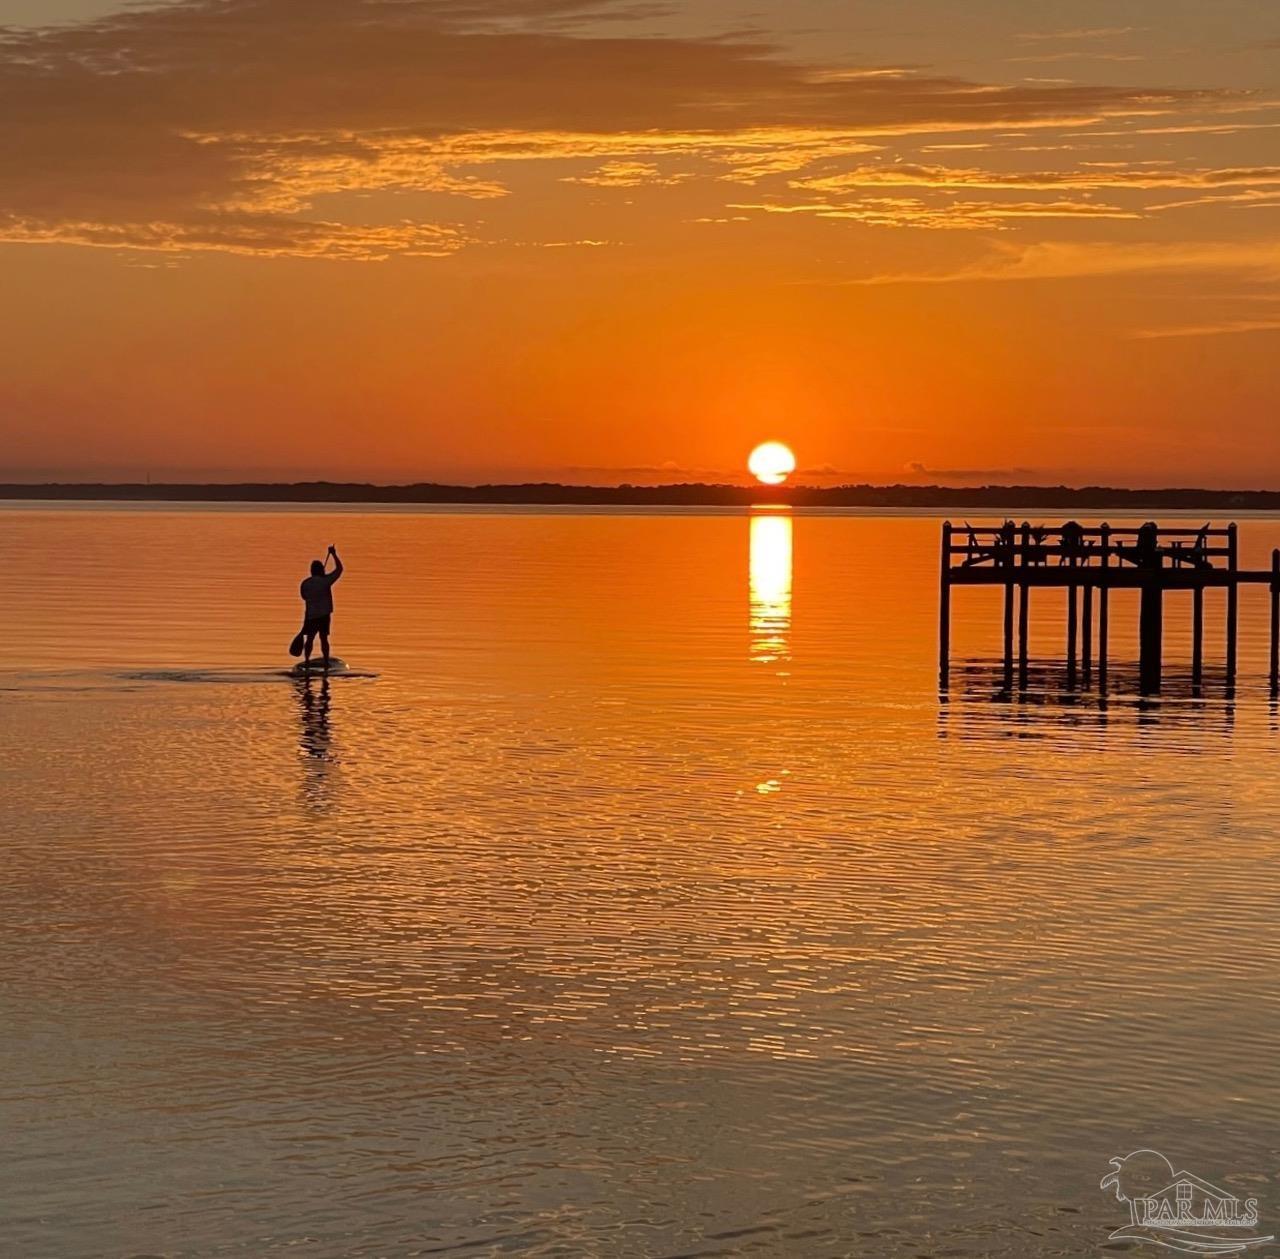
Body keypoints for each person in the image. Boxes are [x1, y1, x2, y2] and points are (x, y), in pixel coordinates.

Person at [300, 545, 343, 671]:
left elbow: (304, 596)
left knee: (309, 639)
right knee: (324, 639)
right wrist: (334, 554)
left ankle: (307, 661)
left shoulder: (305, 583)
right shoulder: (326, 581)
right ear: (321, 570)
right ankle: (325, 663)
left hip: (310, 616)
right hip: (324, 616)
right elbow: (339, 569)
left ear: (312, 571)